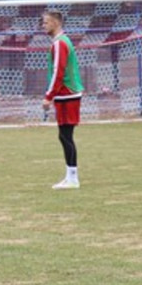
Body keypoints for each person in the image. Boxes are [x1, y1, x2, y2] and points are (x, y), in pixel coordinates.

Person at [42, 10, 83, 189]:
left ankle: (73, 178)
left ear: (56, 23)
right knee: (65, 136)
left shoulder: (60, 43)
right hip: (66, 94)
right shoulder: (61, 42)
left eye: (46, 22)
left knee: (65, 136)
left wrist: (48, 96)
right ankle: (70, 176)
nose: (43, 26)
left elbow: (59, 71)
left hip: (67, 94)